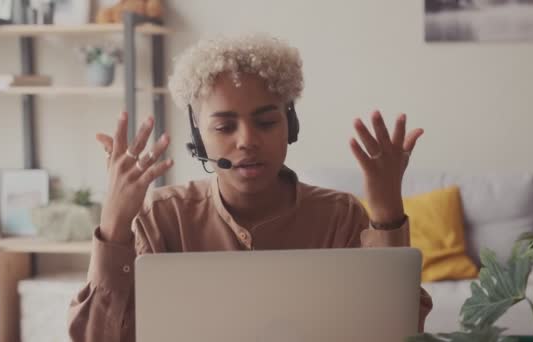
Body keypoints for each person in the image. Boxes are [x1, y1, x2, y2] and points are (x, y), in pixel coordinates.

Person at [68, 33, 432, 342]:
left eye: (267, 122)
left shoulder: (339, 215)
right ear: (198, 137)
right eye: (225, 127)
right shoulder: (161, 218)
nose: (247, 141)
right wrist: (114, 225)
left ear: (290, 125)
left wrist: (386, 212)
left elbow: (399, 333)